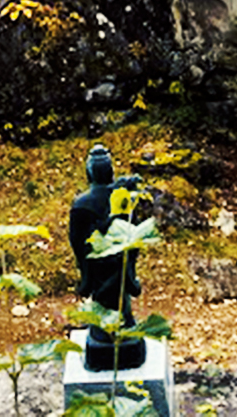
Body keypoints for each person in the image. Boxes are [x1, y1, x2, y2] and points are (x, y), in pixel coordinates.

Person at [68, 143, 146, 371]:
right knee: (120, 299)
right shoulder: (121, 198)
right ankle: (119, 328)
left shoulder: (82, 204)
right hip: (118, 266)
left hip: (98, 266)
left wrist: (84, 267)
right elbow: (134, 236)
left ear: (89, 172)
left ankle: (108, 331)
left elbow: (77, 241)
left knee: (108, 303)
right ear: (110, 171)